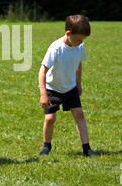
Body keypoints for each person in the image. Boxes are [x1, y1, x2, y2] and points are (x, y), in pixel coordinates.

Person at [38, 15, 99, 157]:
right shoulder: (56, 48)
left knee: (79, 115)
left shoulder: (80, 46)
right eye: (78, 39)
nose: (80, 42)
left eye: (83, 40)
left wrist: (78, 84)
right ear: (68, 33)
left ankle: (86, 149)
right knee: (50, 119)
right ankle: (46, 146)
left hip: (70, 88)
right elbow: (42, 71)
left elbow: (78, 64)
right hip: (52, 88)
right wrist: (43, 94)